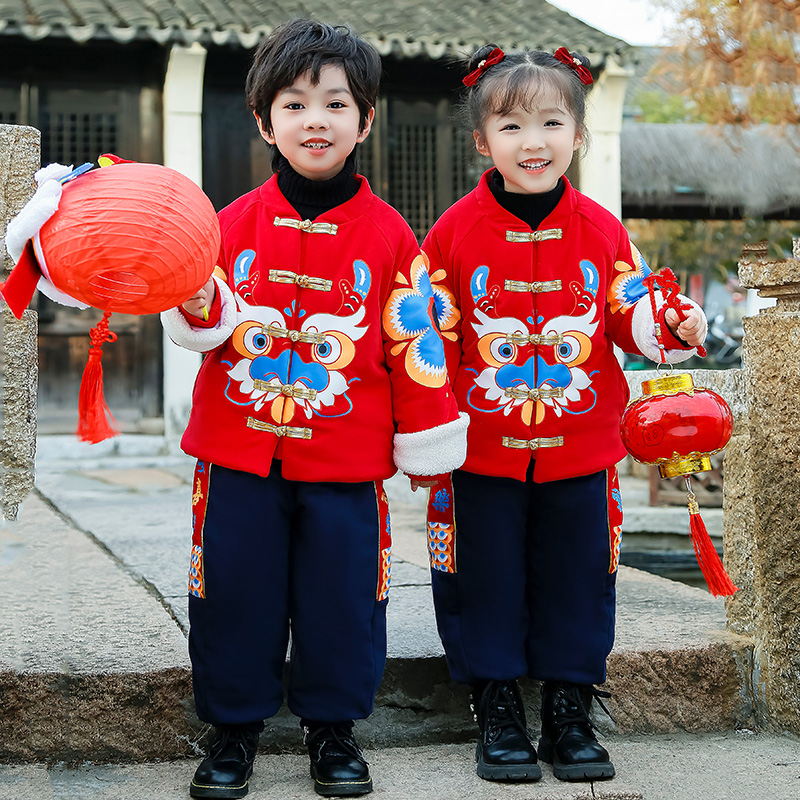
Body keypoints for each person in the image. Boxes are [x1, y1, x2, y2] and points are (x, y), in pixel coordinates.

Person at [161, 18, 468, 799]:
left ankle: (333, 731)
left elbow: (416, 344)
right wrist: (197, 303)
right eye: (294, 105)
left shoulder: (394, 238)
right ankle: (231, 731)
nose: (316, 121)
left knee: (342, 599)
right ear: (264, 120)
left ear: (365, 120)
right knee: (230, 589)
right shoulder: (224, 225)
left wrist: (428, 447)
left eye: (336, 104)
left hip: (346, 460)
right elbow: (203, 321)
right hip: (237, 455)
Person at [421, 45, 707, 784]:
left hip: (581, 446)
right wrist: (422, 429)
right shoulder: (451, 233)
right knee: (482, 578)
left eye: (552, 122)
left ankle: (571, 710)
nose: (534, 142)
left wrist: (671, 322)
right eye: (511, 126)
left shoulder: (604, 231)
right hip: (479, 451)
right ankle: (497, 709)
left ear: (577, 135)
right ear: (483, 140)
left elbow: (631, 314)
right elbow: (425, 334)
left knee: (579, 577)